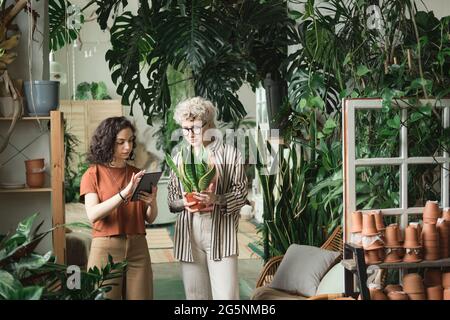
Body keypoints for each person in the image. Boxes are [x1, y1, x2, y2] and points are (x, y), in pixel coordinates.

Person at [167, 97, 248, 300]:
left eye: (195, 127)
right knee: (195, 298)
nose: (189, 134)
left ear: (209, 124)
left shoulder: (230, 155)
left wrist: (216, 199)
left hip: (221, 231)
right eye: (185, 129)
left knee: (227, 298)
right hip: (189, 233)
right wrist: (183, 202)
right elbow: (171, 200)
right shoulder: (178, 157)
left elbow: (241, 194)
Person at [79, 116, 157, 300]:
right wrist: (125, 193)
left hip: (138, 247)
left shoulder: (137, 174)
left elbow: (149, 218)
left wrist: (152, 201)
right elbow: (93, 214)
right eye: (120, 142)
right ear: (107, 143)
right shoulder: (92, 174)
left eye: (130, 141)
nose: (127, 147)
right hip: (106, 248)